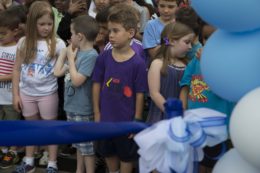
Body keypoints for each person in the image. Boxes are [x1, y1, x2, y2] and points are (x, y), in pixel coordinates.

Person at [92, 6, 148, 173]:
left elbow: (139, 94)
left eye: (116, 31)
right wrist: (97, 113)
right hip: (105, 120)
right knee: (108, 152)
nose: (110, 35)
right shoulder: (104, 57)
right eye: (110, 31)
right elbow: (96, 84)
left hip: (126, 123)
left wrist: (136, 120)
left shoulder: (138, 63)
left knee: (127, 156)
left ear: (130, 33)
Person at [12, 1, 66, 173]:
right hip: (26, 93)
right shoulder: (23, 42)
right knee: (31, 127)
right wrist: (15, 95)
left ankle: (52, 162)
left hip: (48, 93)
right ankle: (29, 161)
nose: (46, 28)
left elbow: (63, 67)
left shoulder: (58, 44)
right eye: (41, 24)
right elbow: (16, 69)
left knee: (50, 128)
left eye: (49, 24)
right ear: (32, 23)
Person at [179, 22, 235, 173]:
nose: (209, 42)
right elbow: (185, 84)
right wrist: (183, 107)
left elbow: (225, 86)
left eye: (215, 37)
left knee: (214, 162)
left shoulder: (229, 62)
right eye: (206, 37)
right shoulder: (196, 60)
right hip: (195, 122)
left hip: (218, 125)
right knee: (198, 161)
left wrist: (209, 63)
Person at [54, 14, 99, 173]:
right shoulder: (76, 52)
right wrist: (65, 53)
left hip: (83, 109)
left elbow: (76, 81)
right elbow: (57, 72)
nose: (70, 37)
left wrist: (71, 60)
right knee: (79, 145)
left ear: (80, 37)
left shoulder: (91, 56)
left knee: (87, 149)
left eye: (72, 34)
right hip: (72, 107)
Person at [147, 22, 194, 123]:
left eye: (191, 43)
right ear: (172, 41)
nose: (190, 47)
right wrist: (171, 112)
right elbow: (154, 93)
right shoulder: (157, 64)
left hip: (182, 118)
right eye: (187, 42)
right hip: (161, 117)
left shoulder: (187, 65)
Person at [0, 9, 22, 169]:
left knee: (12, 123)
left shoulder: (17, 49)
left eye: (3, 33)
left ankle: (12, 151)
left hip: (9, 96)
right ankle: (3, 148)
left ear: (15, 31)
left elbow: (17, 72)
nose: (0, 36)